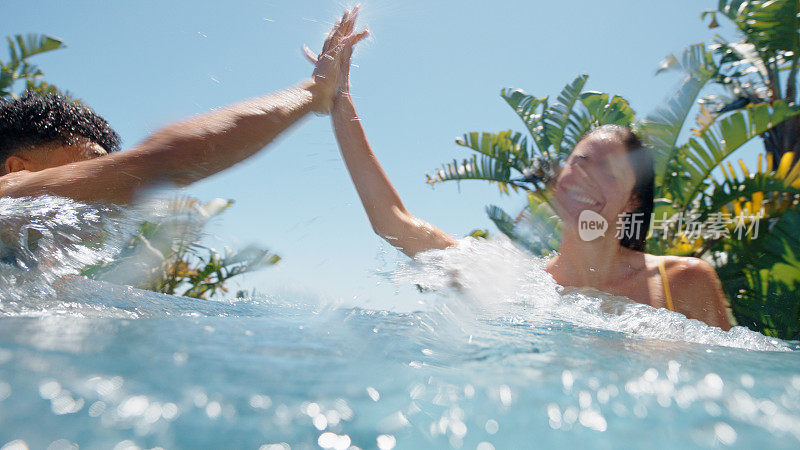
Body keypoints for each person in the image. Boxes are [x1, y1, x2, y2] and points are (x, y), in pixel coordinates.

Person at [325, 17, 732, 330]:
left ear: (634, 201)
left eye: (608, 170)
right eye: (579, 162)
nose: (585, 177)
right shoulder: (515, 284)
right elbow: (391, 221)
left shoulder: (683, 282)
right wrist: (338, 98)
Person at [0, 7, 368, 206]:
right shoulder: (6, 196)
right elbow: (166, 159)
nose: (105, 178)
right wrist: (313, 92)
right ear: (16, 169)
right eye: (93, 164)